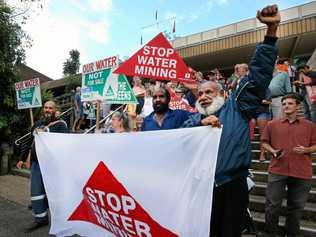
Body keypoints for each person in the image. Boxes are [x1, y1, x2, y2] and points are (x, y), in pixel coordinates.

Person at [182, 5, 280, 237]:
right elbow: (180, 140)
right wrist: (199, 126)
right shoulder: (193, 119)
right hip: (200, 188)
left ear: (223, 94)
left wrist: (271, 31)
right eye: (200, 93)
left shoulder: (237, 107)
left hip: (233, 185)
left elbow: (257, 77)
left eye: (210, 92)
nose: (204, 96)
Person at [261, 93, 316, 237]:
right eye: (284, 104)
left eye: (290, 103)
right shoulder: (272, 124)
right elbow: (264, 142)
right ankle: (271, 233)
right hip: (278, 169)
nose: (286, 106)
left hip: (302, 171)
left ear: (298, 106)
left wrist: (307, 150)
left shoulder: (310, 126)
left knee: (296, 207)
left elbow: (315, 145)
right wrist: (273, 151)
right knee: (272, 205)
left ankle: (292, 233)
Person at [16, 101, 68, 232]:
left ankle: (61, 221)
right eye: (45, 107)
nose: (47, 110)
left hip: (52, 164)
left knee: (55, 193)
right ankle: (41, 219)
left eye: (50, 108)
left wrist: (45, 131)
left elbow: (65, 142)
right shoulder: (37, 123)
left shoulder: (61, 125)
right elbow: (28, 140)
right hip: (36, 163)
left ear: (55, 110)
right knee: (36, 192)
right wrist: (22, 158)